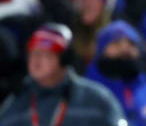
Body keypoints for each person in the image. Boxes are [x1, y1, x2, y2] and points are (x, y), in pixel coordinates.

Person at [0, 22, 128, 126]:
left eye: (45, 55)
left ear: (65, 59)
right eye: (32, 54)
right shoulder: (14, 104)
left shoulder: (98, 100)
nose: (36, 61)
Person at [85, 20, 146, 126]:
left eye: (131, 44)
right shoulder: (86, 96)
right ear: (100, 52)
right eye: (116, 43)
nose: (125, 49)